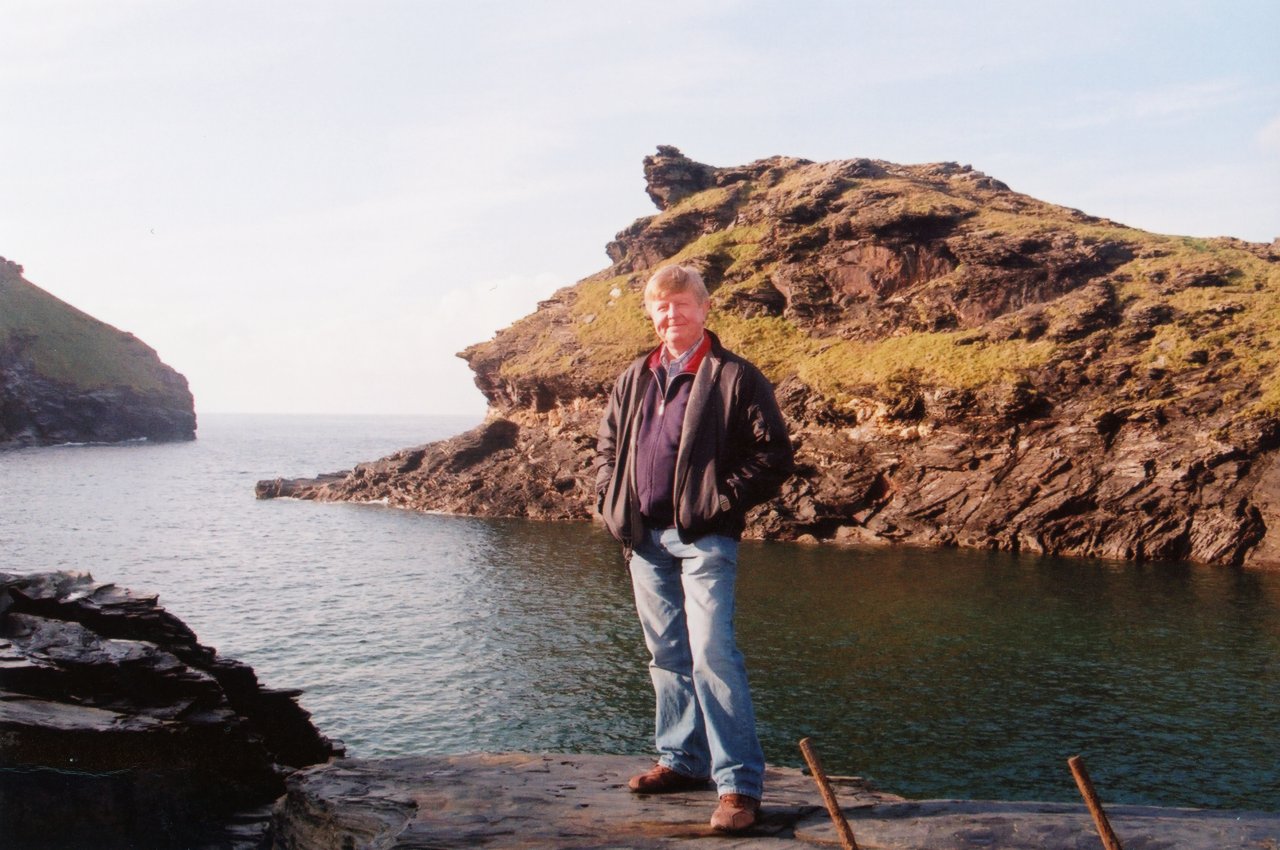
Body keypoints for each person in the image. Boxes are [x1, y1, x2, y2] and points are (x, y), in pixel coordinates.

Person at [594, 264, 794, 833]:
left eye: (682, 304)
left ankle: (738, 786)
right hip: (643, 538)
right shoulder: (636, 375)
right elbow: (607, 447)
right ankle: (682, 761)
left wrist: (716, 502)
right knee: (667, 656)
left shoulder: (736, 375)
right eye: (662, 307)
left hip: (704, 538)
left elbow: (773, 455)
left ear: (704, 309)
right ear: (651, 315)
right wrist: (611, 500)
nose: (671, 315)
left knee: (713, 655)